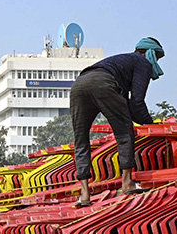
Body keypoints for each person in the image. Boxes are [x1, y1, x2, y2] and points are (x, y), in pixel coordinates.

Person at [70, 37, 165, 207]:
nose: (156, 63)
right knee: (124, 133)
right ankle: (127, 182)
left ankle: (84, 193)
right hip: (103, 83)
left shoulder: (122, 61)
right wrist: (150, 124)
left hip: (79, 84)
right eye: (157, 58)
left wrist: (144, 120)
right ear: (150, 53)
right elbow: (137, 101)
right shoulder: (142, 63)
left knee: (81, 139)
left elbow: (127, 106)